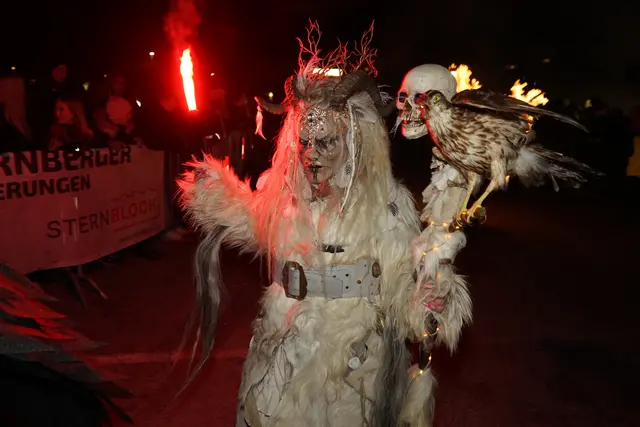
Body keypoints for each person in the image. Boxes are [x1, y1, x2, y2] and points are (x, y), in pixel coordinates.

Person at [179, 23, 462, 427]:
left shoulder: (386, 207)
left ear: (353, 145)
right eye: (304, 142)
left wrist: (429, 299)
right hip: (284, 353)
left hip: (352, 367)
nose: (311, 155)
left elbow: (403, 289)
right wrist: (215, 192)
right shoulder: (285, 197)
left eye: (326, 142)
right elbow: (251, 219)